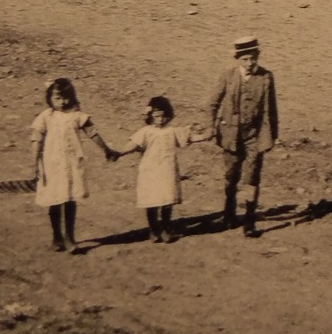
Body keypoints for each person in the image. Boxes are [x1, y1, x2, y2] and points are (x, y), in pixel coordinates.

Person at [28, 77, 116, 254]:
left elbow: (93, 133)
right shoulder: (46, 116)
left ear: (72, 97)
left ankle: (70, 236)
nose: (62, 102)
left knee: (69, 199)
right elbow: (36, 140)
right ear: (50, 99)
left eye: (66, 97)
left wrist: (107, 149)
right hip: (52, 164)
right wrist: (34, 165)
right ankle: (57, 237)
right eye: (57, 98)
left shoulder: (77, 116)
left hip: (72, 164)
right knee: (54, 200)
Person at [107, 96, 212, 243]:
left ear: (168, 115)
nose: (160, 119)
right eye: (156, 116)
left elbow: (190, 138)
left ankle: (165, 227)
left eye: (163, 116)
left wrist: (205, 136)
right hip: (150, 170)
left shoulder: (173, 131)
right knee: (152, 201)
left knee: (167, 199)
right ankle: (154, 229)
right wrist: (119, 153)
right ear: (150, 116)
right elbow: (134, 144)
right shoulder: (146, 132)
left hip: (167, 170)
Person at [207, 36, 279, 237]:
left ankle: (249, 220)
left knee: (251, 177)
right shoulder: (228, 76)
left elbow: (270, 109)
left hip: (254, 136)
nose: (249, 63)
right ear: (237, 59)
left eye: (253, 58)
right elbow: (212, 103)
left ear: (258, 57)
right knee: (231, 177)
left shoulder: (266, 77)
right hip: (230, 135)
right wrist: (211, 127)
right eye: (245, 59)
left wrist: (270, 137)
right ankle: (229, 214)